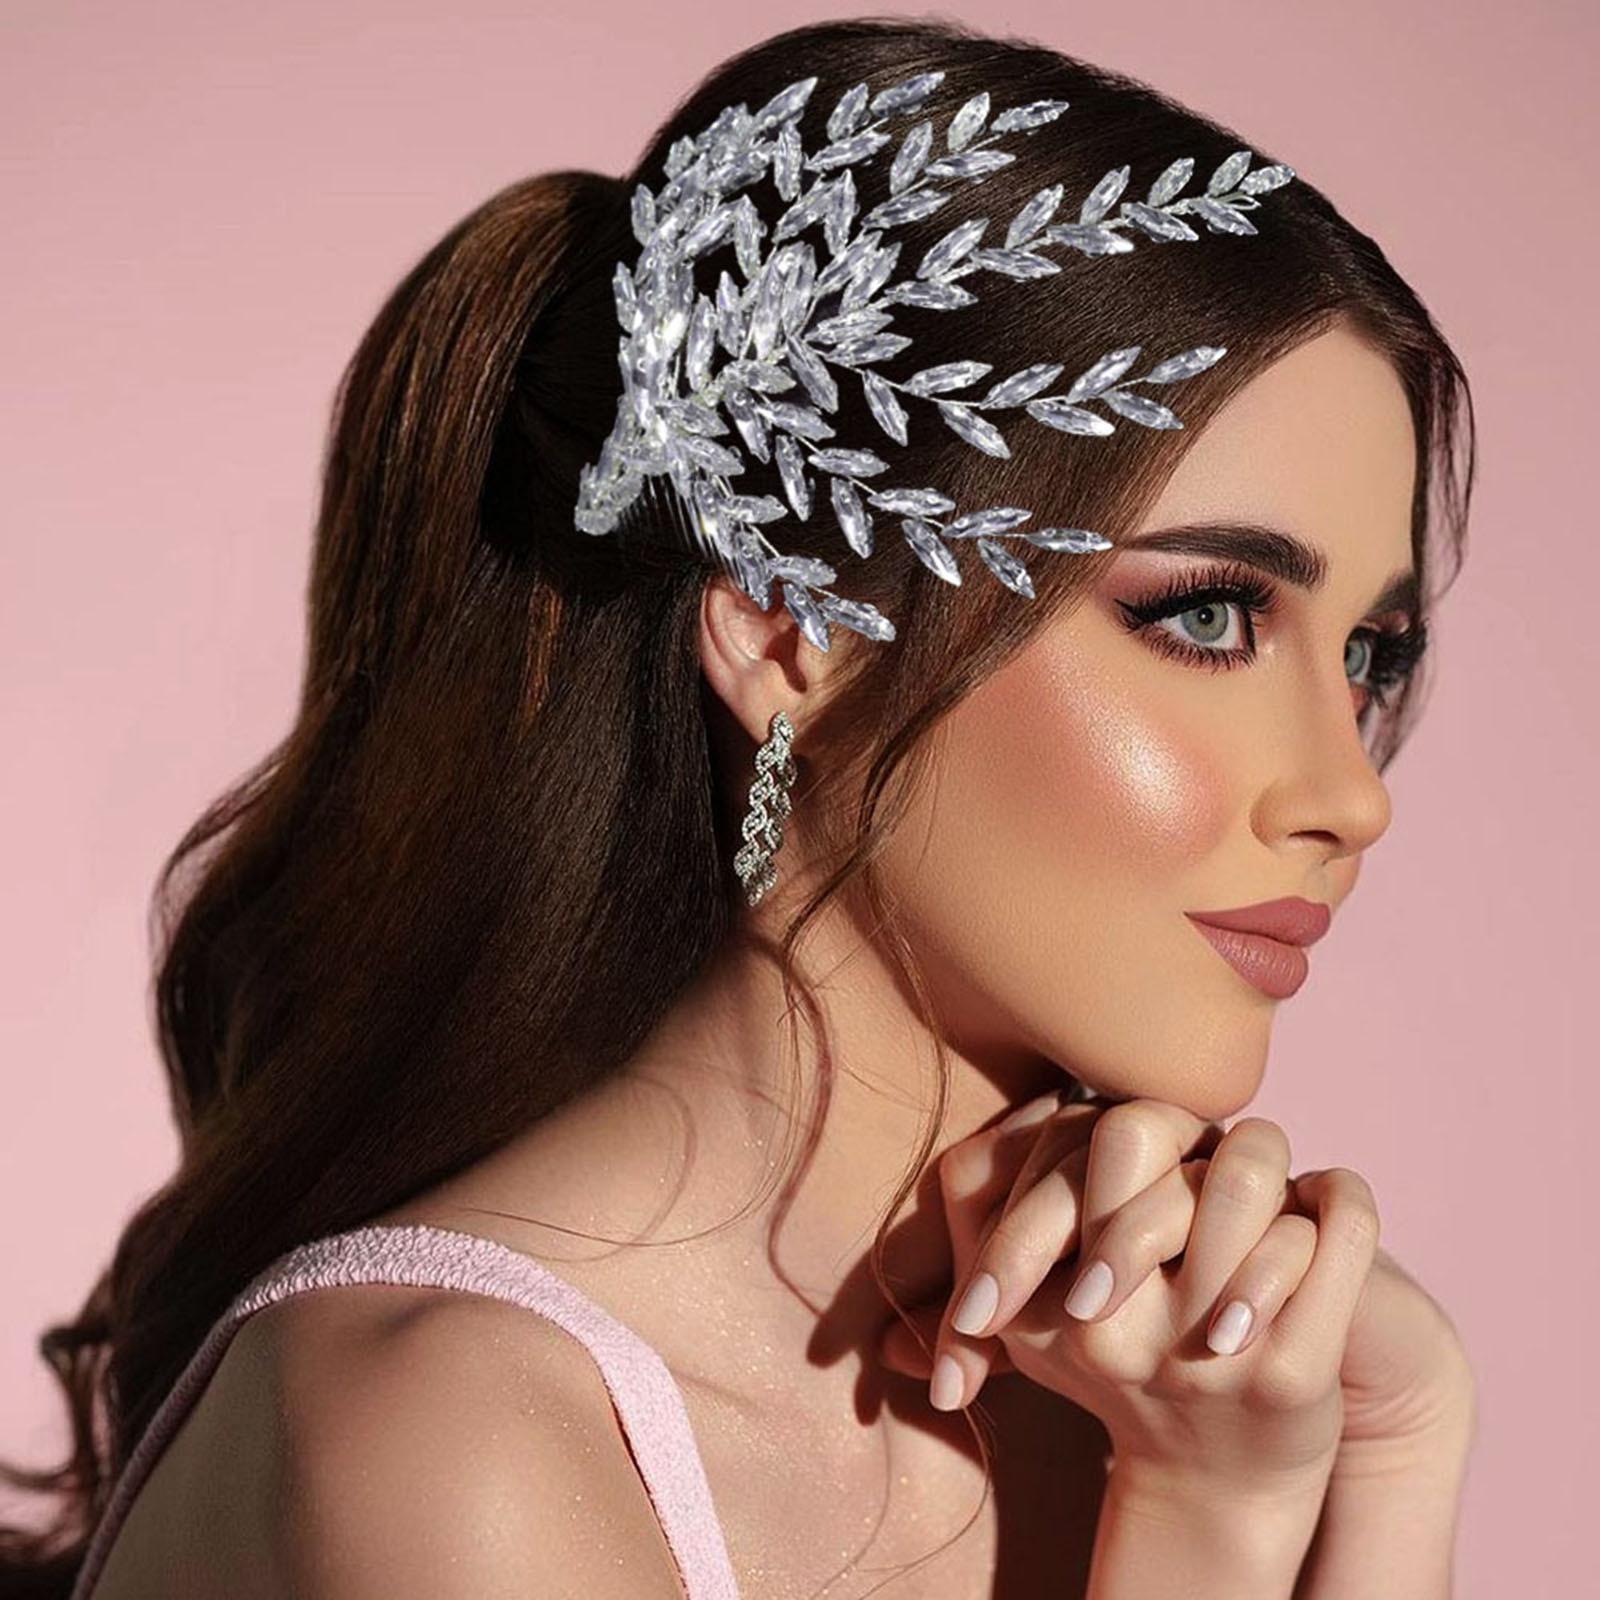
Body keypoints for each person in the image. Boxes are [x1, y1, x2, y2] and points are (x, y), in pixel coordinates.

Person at [0, 15, 1478, 1599]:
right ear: (793, 639)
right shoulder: (462, 1437)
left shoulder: (1187, 1381)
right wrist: (1211, 1524)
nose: (1350, 796)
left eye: (1369, 654)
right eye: (1208, 614)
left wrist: (1402, 1447)